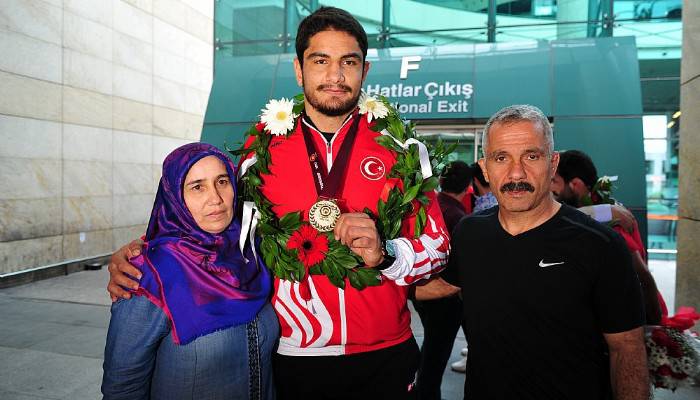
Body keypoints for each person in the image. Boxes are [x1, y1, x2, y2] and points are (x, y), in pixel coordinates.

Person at [106, 7, 449, 399]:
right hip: (292, 356)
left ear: (365, 71)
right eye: (320, 61)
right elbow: (213, 227)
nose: (335, 76)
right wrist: (142, 258)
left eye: (348, 62)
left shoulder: (399, 149)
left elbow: (439, 246)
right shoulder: (260, 152)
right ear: (299, 69)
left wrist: (387, 253)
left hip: (386, 351)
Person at [436, 105, 649, 399]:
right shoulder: (469, 233)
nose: (516, 173)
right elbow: (442, 284)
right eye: (501, 158)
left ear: (552, 163)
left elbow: (627, 348)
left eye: (531, 156)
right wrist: (381, 260)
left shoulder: (601, 245)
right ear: (485, 168)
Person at [101, 143, 278, 399]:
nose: (215, 198)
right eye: (197, 187)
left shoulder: (251, 253)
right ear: (174, 198)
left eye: (222, 182)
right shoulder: (150, 273)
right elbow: (123, 386)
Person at [552, 149, 663, 324]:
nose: (550, 188)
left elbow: (643, 277)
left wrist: (656, 330)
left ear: (576, 185)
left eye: (554, 181)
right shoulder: (604, 211)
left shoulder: (612, 223)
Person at [414, 161, 471, 400]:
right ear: (468, 186)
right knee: (435, 357)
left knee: (432, 350)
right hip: (445, 297)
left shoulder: (428, 206)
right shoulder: (459, 217)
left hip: (420, 291)